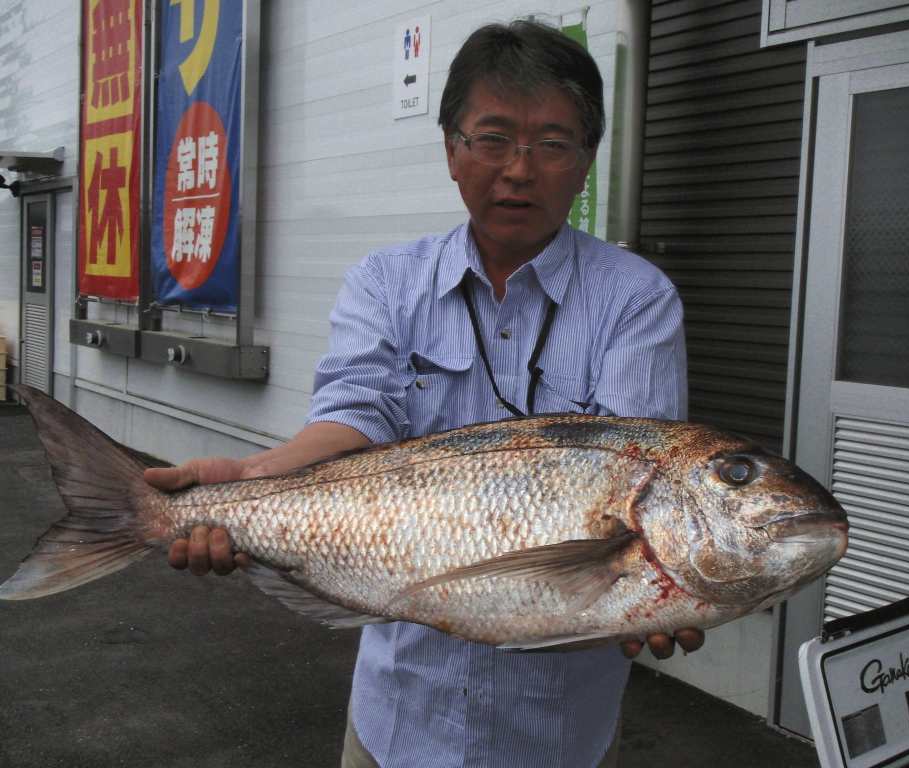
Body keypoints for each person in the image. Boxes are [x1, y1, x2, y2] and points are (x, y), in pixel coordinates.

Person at [145, 20, 704, 768]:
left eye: (552, 144)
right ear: (451, 151)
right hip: (398, 717)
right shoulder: (386, 282)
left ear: (586, 162)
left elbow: (637, 476)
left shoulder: (636, 299)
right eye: (493, 138)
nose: (518, 169)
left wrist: (660, 587)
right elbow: (354, 415)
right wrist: (249, 482)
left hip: (553, 734)